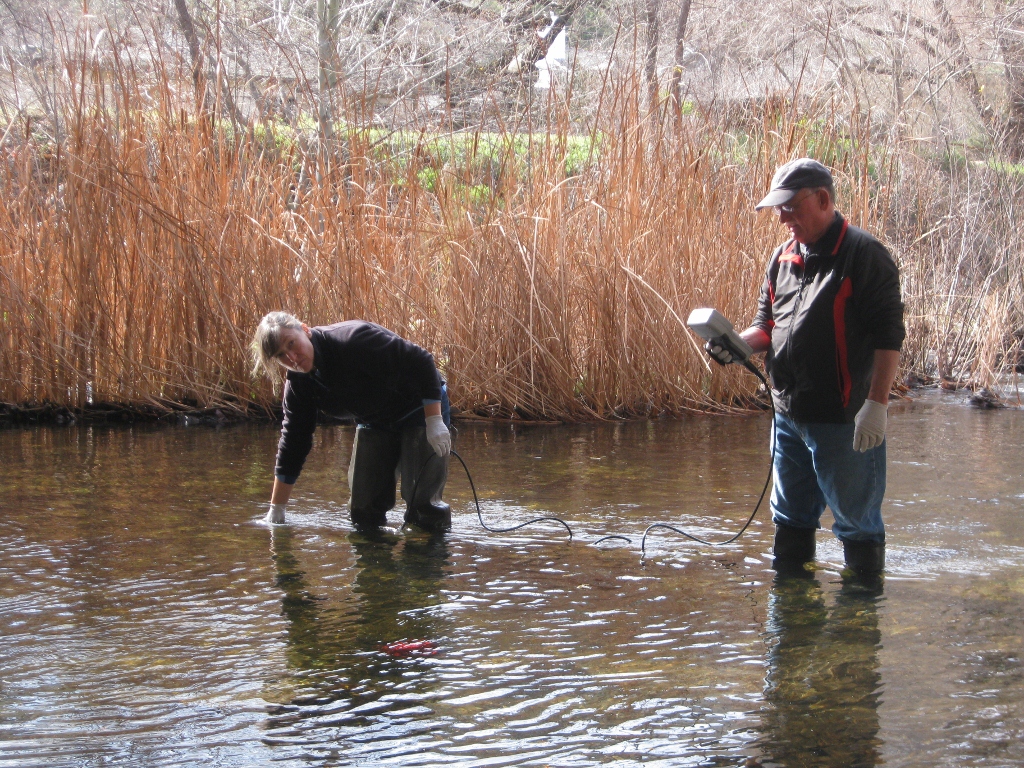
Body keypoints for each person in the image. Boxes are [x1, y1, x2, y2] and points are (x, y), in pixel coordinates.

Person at [706, 158, 905, 576]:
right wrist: (736, 345)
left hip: (845, 421)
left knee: (857, 526)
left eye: (790, 207)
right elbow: (767, 326)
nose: (782, 218)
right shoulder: (782, 257)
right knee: (790, 519)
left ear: (823, 199)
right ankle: (794, 618)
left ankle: (857, 624)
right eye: (778, 209)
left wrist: (878, 406)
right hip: (787, 417)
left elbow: (889, 338)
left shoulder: (865, 256)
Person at [251, 312, 454, 533]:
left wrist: (434, 419)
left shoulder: (353, 340)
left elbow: (421, 360)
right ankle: (377, 563)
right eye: (282, 355)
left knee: (422, 506)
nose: (292, 358)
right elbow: (293, 442)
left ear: (305, 330)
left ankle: (426, 558)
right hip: (374, 419)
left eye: (292, 343)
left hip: (419, 407)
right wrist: (277, 508)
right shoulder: (299, 385)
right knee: (363, 511)